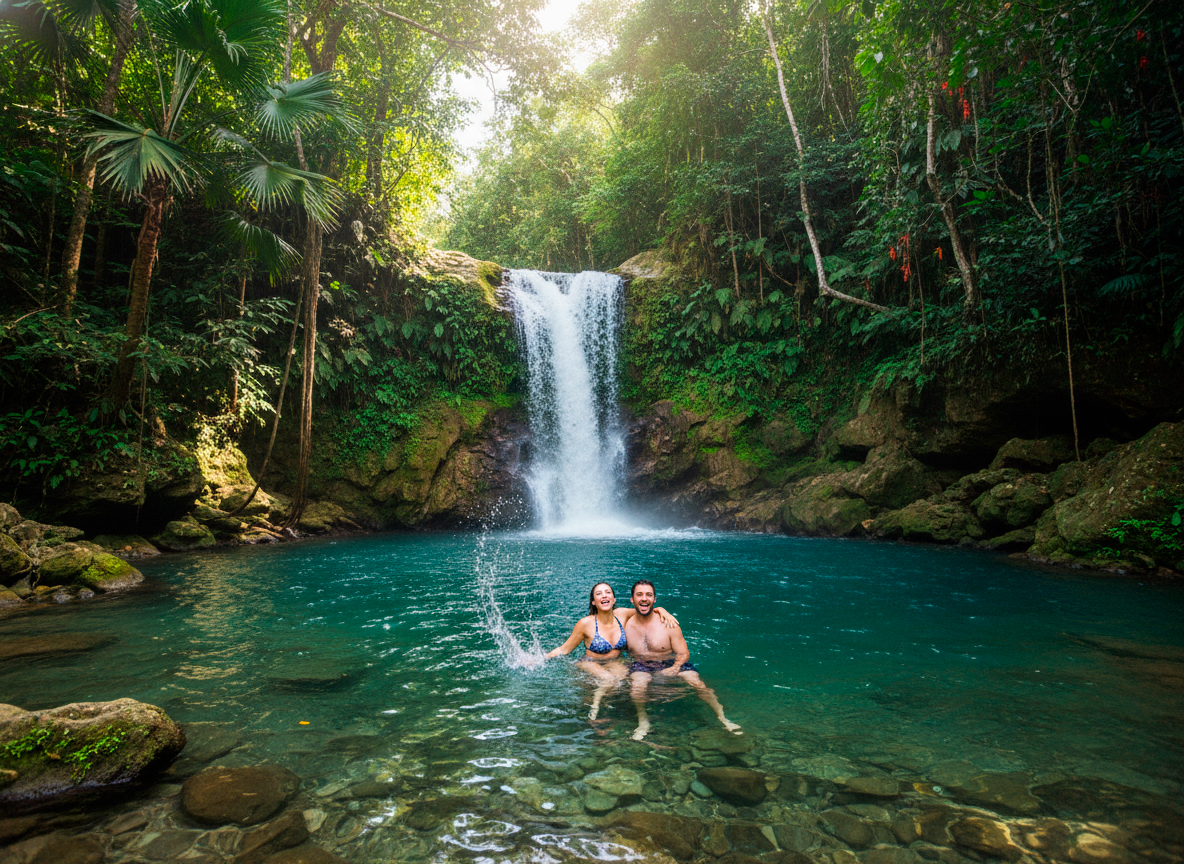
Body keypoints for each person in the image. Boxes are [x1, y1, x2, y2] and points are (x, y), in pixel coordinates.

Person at [623, 579, 740, 741]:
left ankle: (723, 717)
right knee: (638, 685)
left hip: (669, 661)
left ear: (654, 599)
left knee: (695, 681)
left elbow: (684, 653)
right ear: (632, 599)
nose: (644, 598)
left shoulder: (668, 624)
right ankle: (643, 721)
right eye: (639, 595)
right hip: (641, 665)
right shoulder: (624, 624)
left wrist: (676, 666)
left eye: (649, 595)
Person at [545, 582, 678, 720]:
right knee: (608, 679)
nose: (604, 596)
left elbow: (644, 609)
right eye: (599, 594)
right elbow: (564, 649)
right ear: (594, 602)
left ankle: (610, 706)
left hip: (614, 661)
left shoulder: (621, 614)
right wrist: (542, 658)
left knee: (624, 681)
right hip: (590, 661)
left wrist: (662, 610)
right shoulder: (586, 623)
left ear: (614, 599)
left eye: (608, 592)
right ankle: (595, 705)